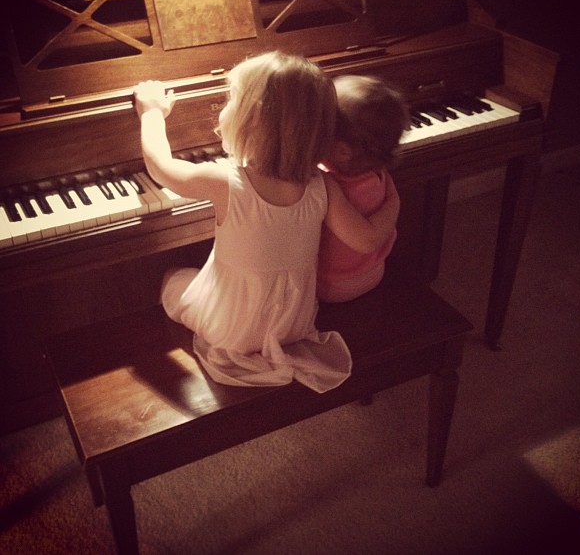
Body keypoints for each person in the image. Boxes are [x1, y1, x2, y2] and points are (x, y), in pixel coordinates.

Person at [133, 51, 399, 394]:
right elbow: (367, 239)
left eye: (230, 98)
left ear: (254, 118)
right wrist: (393, 202)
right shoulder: (323, 185)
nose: (224, 107)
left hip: (231, 331)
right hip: (294, 324)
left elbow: (159, 166)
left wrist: (151, 113)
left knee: (172, 277)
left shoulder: (223, 181)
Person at [317, 74, 409, 303]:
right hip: (374, 271)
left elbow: (366, 241)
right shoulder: (378, 170)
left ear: (343, 152)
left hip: (335, 287)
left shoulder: (329, 186)